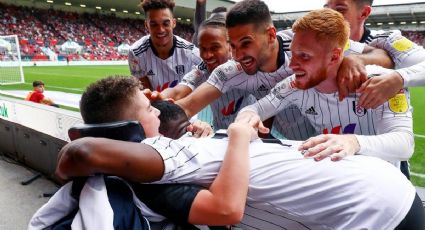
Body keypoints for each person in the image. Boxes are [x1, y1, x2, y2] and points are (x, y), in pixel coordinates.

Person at [54, 76, 424, 229]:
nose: (158, 106)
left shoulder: (173, 149)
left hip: (374, 203)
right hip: (376, 202)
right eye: (149, 109)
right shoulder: (155, 153)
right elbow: (81, 151)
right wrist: (235, 135)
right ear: (130, 132)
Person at [174, 0, 392, 140]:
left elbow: (383, 56)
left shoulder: (303, 41)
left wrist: (356, 59)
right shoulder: (233, 70)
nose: (238, 54)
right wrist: (149, 110)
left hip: (350, 140)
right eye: (233, 45)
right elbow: (188, 105)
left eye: (246, 43)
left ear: (270, 35)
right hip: (299, 147)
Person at [237, 8, 413, 171]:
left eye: (304, 56)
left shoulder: (382, 82)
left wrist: (353, 142)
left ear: (334, 56)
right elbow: (256, 109)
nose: (292, 65)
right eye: (293, 54)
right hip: (333, 181)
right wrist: (247, 117)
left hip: (382, 186)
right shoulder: (295, 83)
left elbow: (405, 144)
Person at [162, 8, 257, 130]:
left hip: (251, 137)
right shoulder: (203, 68)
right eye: (203, 48)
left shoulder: (245, 67)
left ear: (230, 46)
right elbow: (178, 91)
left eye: (214, 48)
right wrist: (158, 97)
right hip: (219, 136)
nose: (207, 55)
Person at [325, 0, 425, 108]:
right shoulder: (314, 47)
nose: (328, 16)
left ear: (364, 13)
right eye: (326, 9)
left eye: (340, 9)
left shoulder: (386, 41)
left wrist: (397, 78)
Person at [128, 0, 202, 92]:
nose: (160, 30)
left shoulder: (191, 53)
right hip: (155, 104)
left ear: (173, 23)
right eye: (154, 24)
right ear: (146, 25)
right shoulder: (136, 53)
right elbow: (146, 91)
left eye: (166, 23)